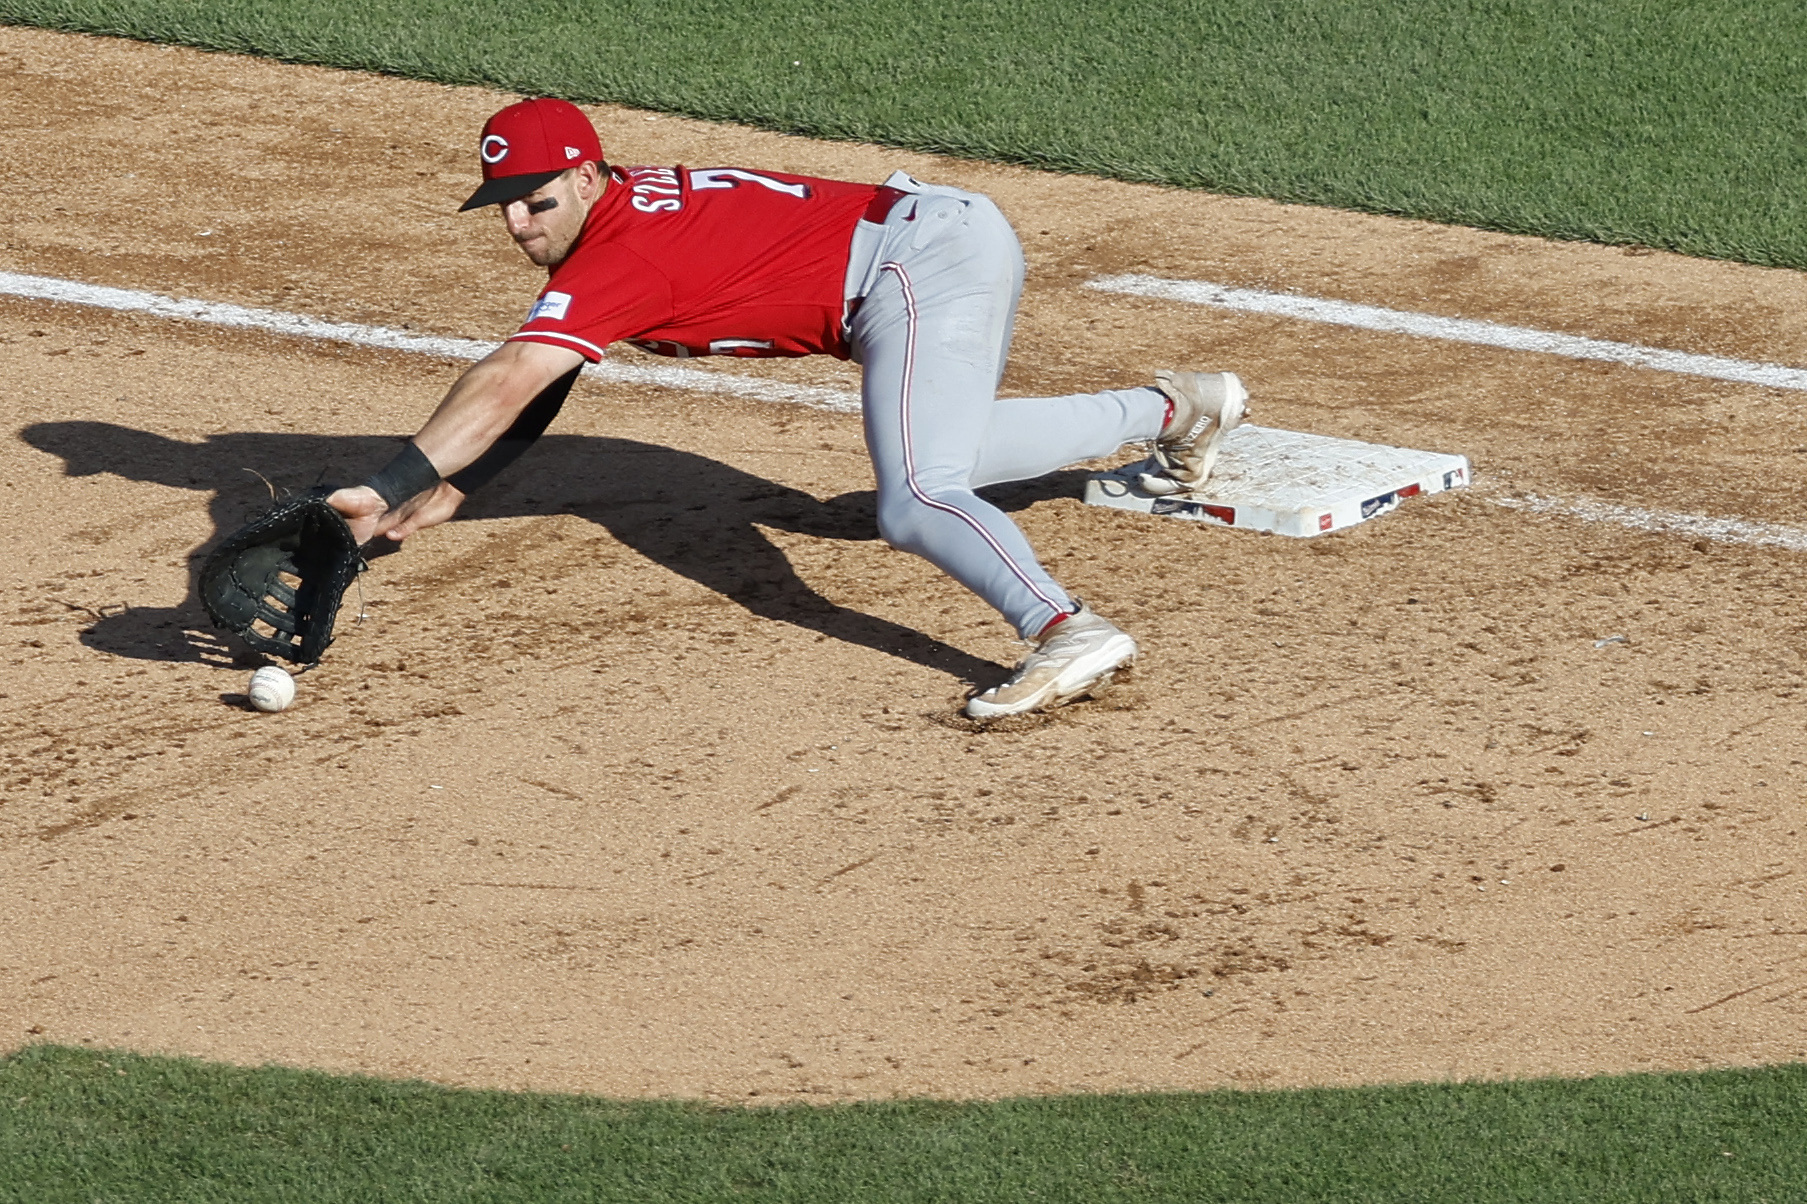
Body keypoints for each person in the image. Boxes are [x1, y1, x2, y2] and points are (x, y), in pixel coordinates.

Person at [328, 98, 1247, 718]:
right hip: (933, 240)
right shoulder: (616, 223)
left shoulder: (621, 253)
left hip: (915, 269)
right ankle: (1177, 411)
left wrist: (393, 480)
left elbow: (514, 370)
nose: (517, 225)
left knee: (917, 499)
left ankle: (1065, 628)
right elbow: (552, 375)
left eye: (532, 203)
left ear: (587, 177)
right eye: (501, 208)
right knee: (947, 463)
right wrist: (460, 482)